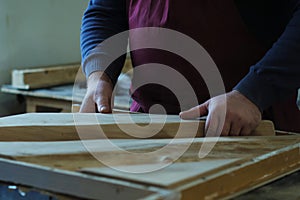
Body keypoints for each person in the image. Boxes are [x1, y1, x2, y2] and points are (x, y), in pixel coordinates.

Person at [80, 0, 300, 135]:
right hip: (149, 126)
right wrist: (99, 77)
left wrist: (253, 94)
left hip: (251, 127)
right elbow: (104, 13)